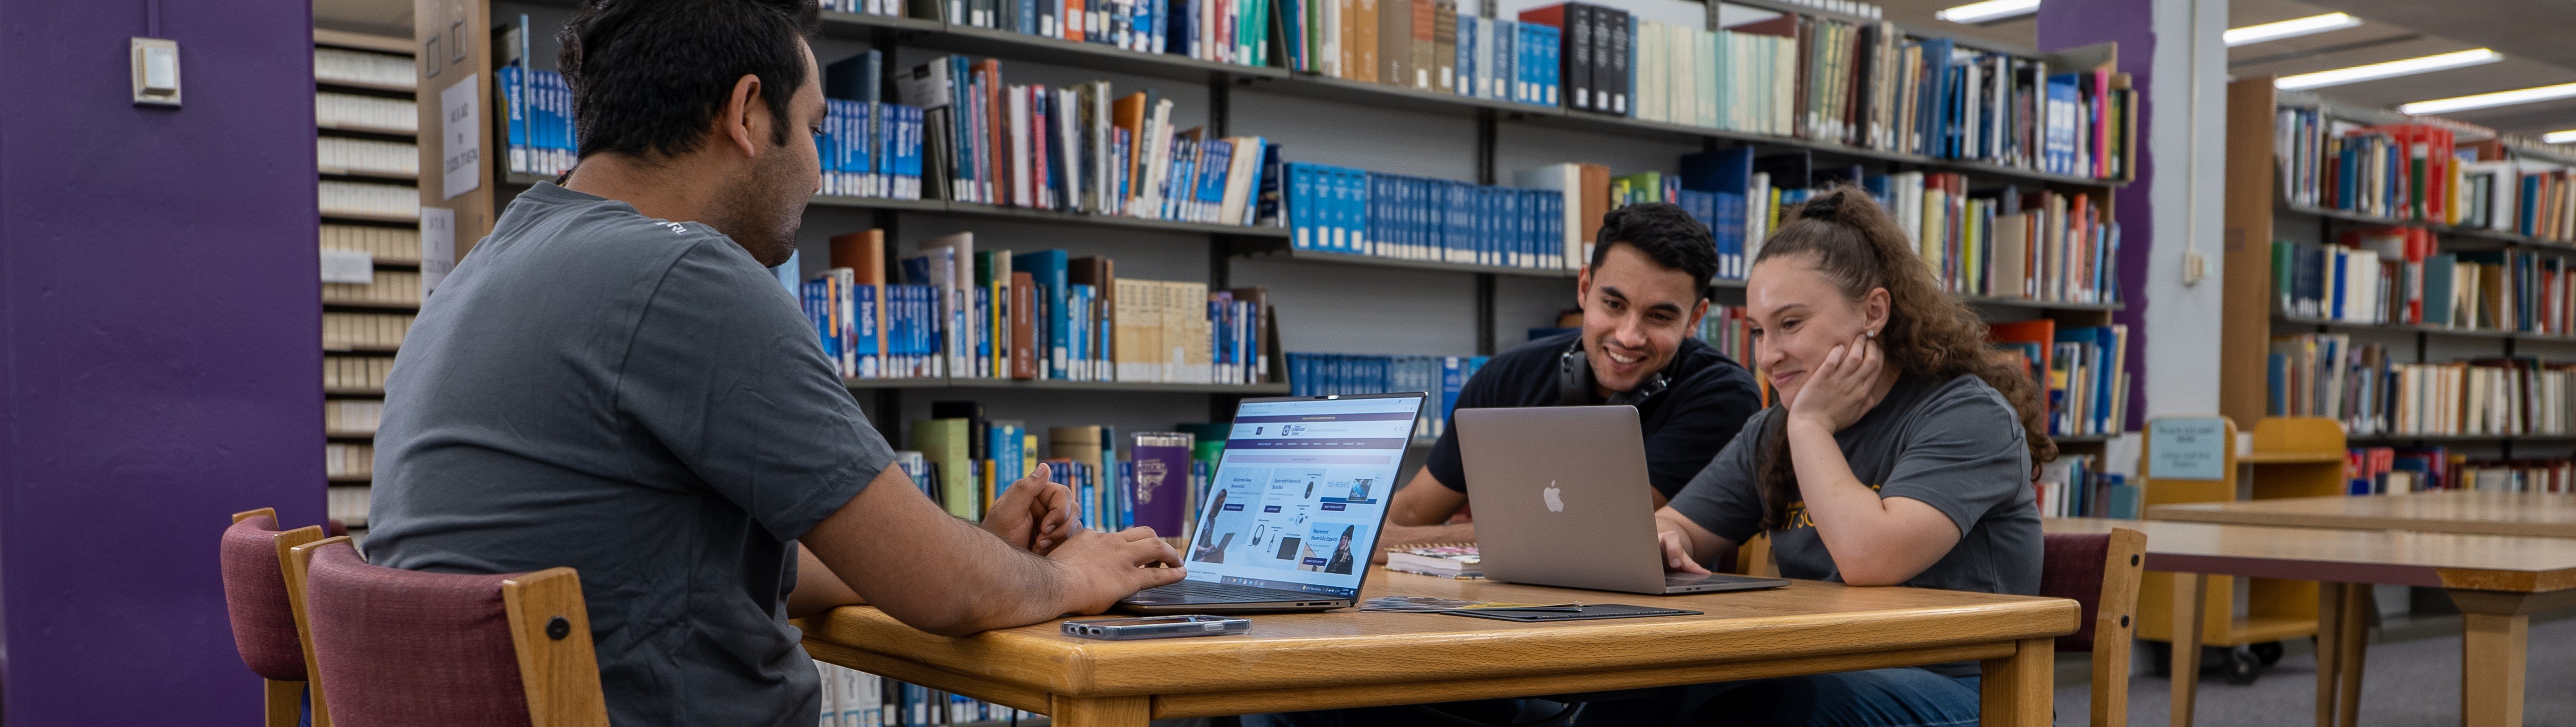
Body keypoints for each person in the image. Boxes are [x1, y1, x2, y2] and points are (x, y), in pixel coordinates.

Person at [361, 2, 1183, 726]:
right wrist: (1069, 573)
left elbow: (764, 566)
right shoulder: (685, 276)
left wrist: (978, 549)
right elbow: (949, 595)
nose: (821, 168)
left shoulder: (488, 265)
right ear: (747, 113)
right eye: (818, 127)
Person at [1609, 184, 2054, 726]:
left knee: (1789, 708)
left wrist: (1813, 425)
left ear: (1873, 310)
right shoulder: (1775, 428)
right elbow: (1676, 524)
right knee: (1634, 699)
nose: (1768, 355)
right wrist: (1667, 537)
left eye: (1791, 324)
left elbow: (1871, 559)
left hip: (1975, 691)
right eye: (1757, 331)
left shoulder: (1966, 414)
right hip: (1826, 666)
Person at [1381, 203, 1764, 554]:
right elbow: (1414, 509)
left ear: (1696, 319)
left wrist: (1407, 542)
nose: (1629, 336)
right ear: (1584, 288)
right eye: (1614, 305)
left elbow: (1589, 527)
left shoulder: (1722, 396)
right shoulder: (1507, 376)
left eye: (1660, 317)